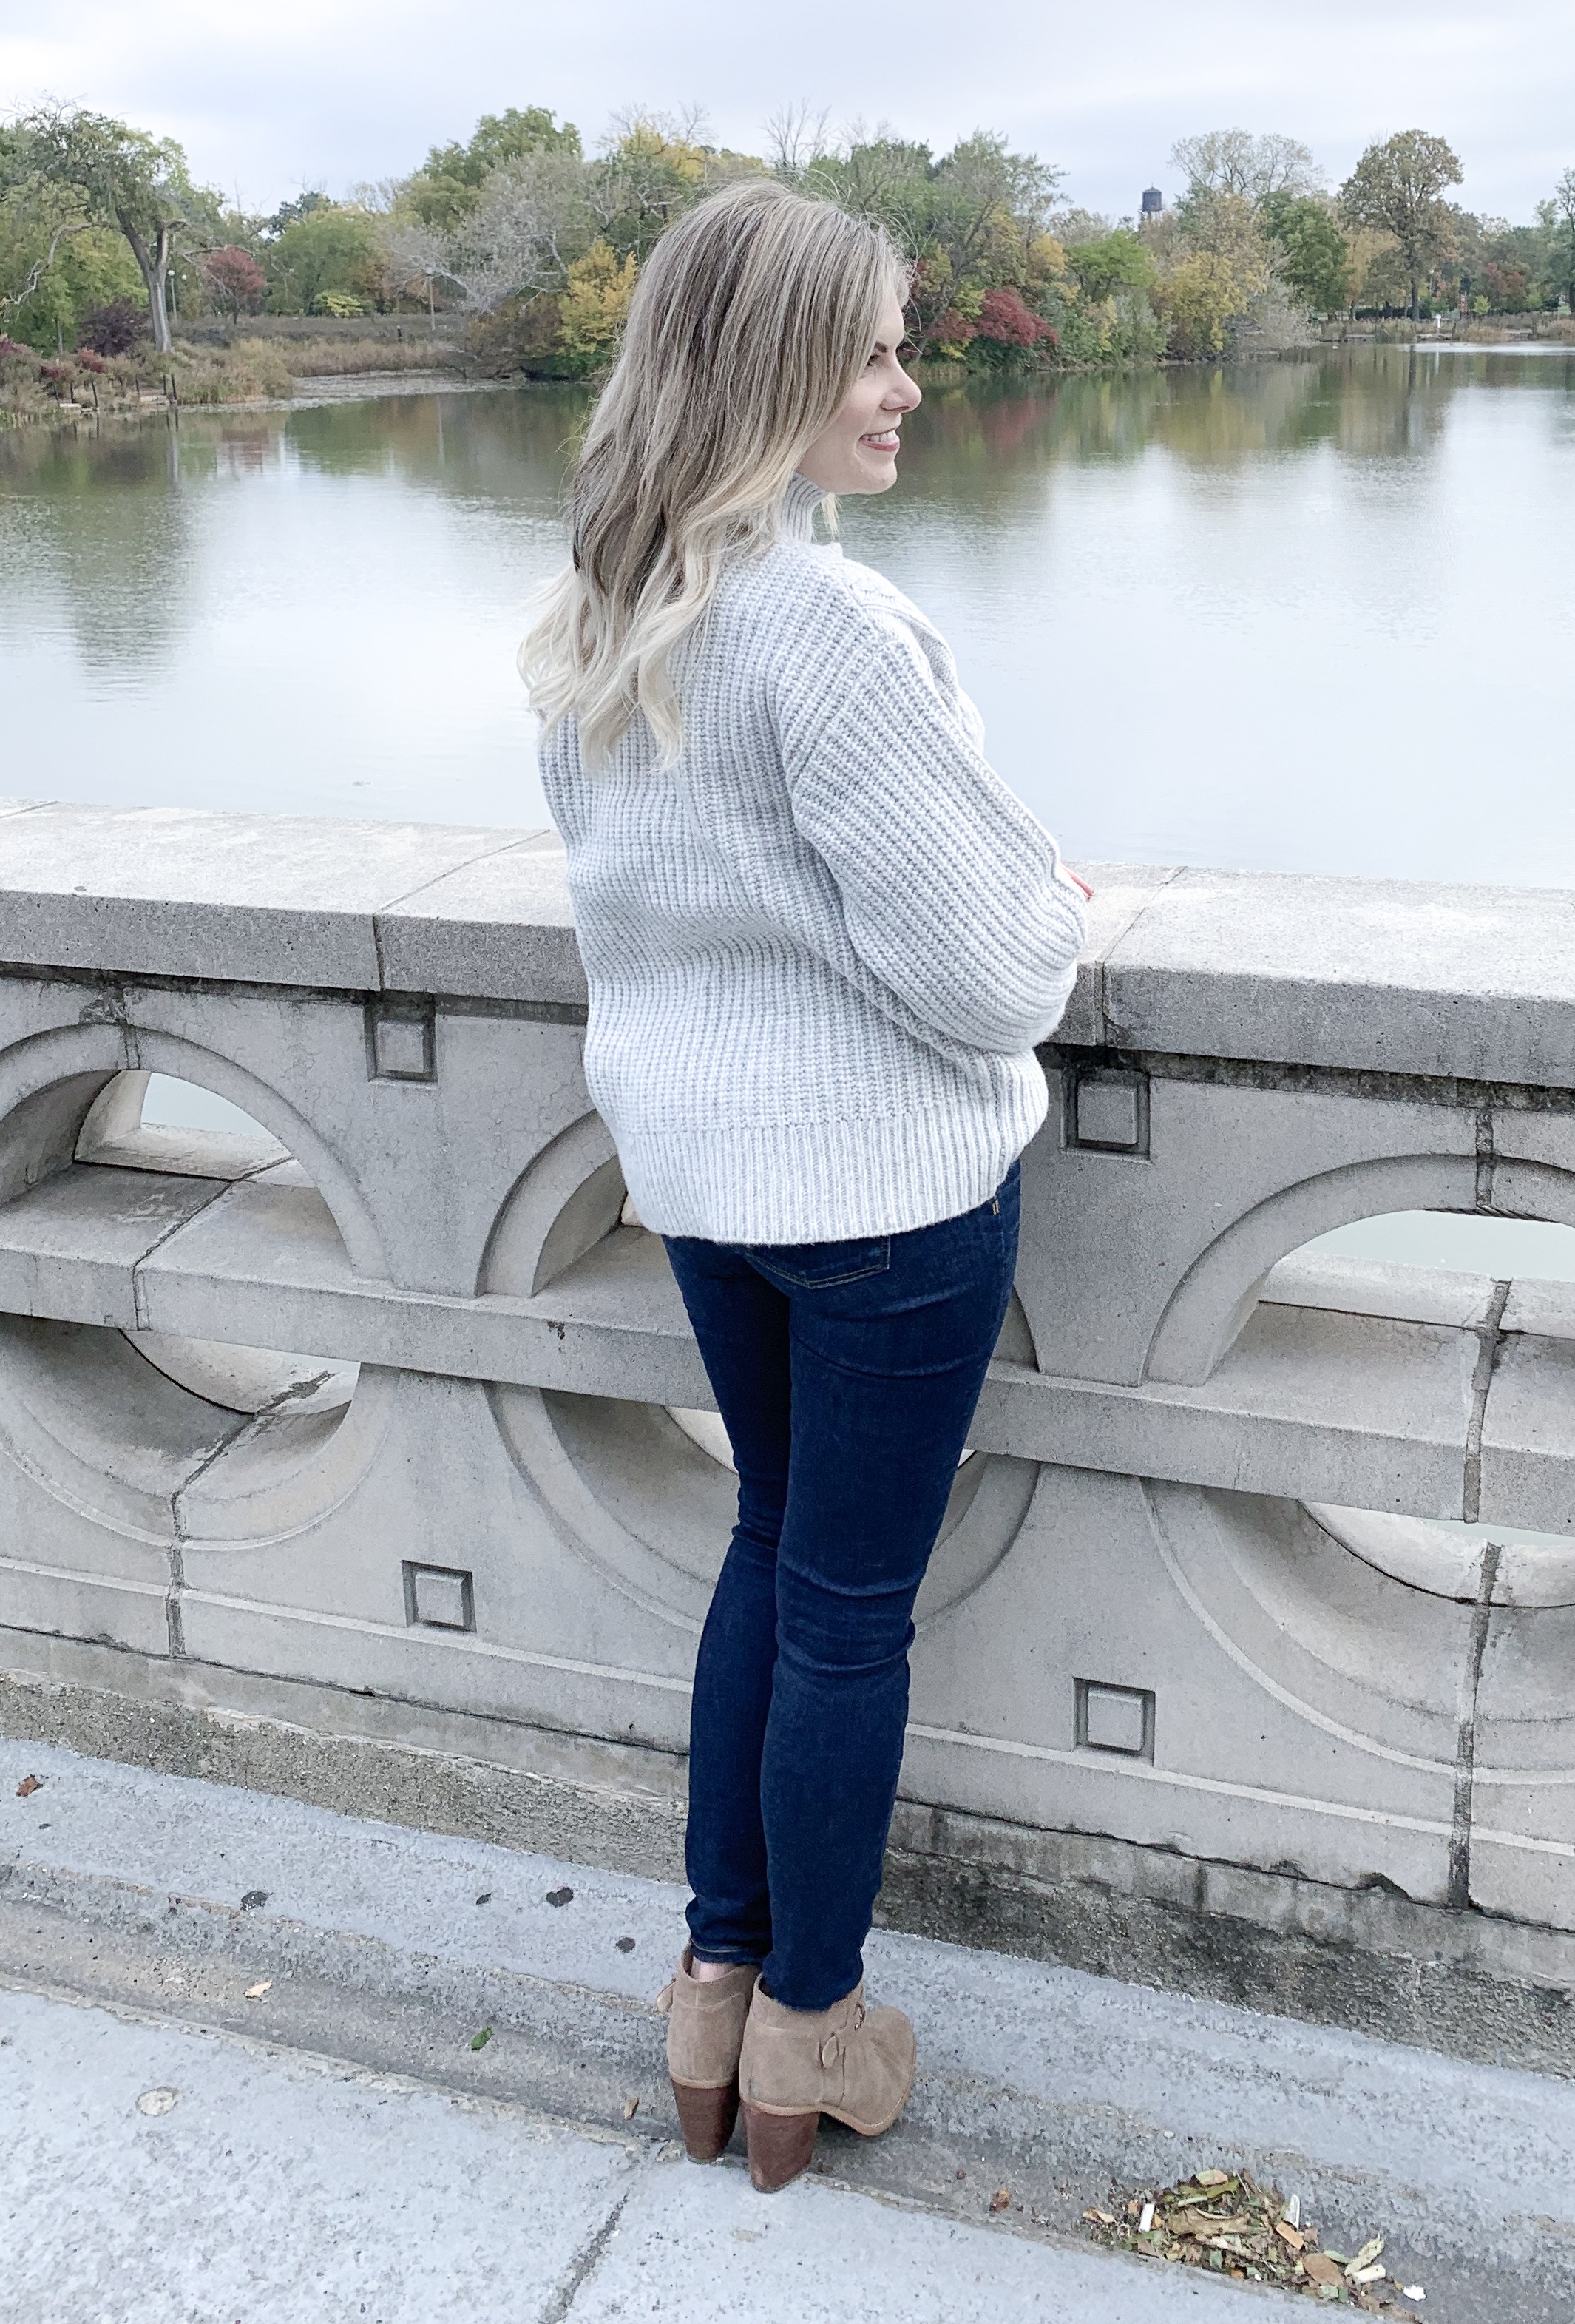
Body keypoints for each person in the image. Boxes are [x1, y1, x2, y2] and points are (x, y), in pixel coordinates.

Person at [523, 180, 1088, 2192]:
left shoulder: (604, 607)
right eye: (872, 350)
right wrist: (1059, 922)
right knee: (849, 1609)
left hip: (701, 1178)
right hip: (885, 1197)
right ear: (770, 368)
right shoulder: (830, 628)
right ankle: (809, 2033)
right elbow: (991, 968)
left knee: (773, 1556)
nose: (909, 386)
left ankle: (712, 1993)